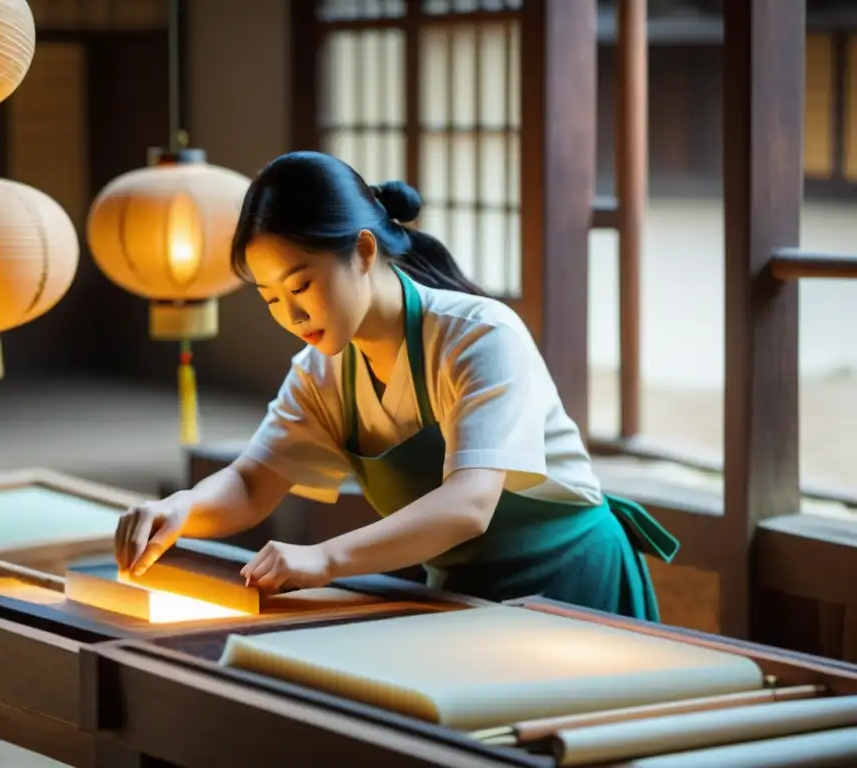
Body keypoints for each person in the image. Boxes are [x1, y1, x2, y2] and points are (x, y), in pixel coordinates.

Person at [114, 150, 679, 620]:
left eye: (301, 285)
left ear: (363, 251)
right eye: (270, 299)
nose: (290, 314)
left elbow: (468, 504)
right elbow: (252, 482)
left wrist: (325, 559)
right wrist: (182, 509)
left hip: (574, 582)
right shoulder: (321, 370)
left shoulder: (479, 334)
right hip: (456, 593)